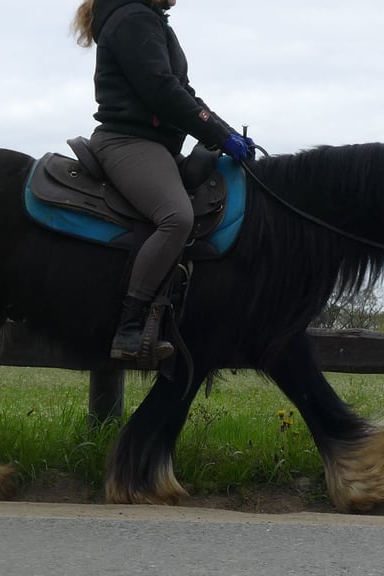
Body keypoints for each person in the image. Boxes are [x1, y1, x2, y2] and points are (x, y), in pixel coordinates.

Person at [72, 0, 252, 363]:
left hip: (157, 145)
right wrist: (218, 135)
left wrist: (227, 132)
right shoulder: (133, 18)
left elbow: (184, 92)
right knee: (176, 216)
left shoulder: (151, 21)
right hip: (127, 142)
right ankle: (129, 326)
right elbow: (162, 90)